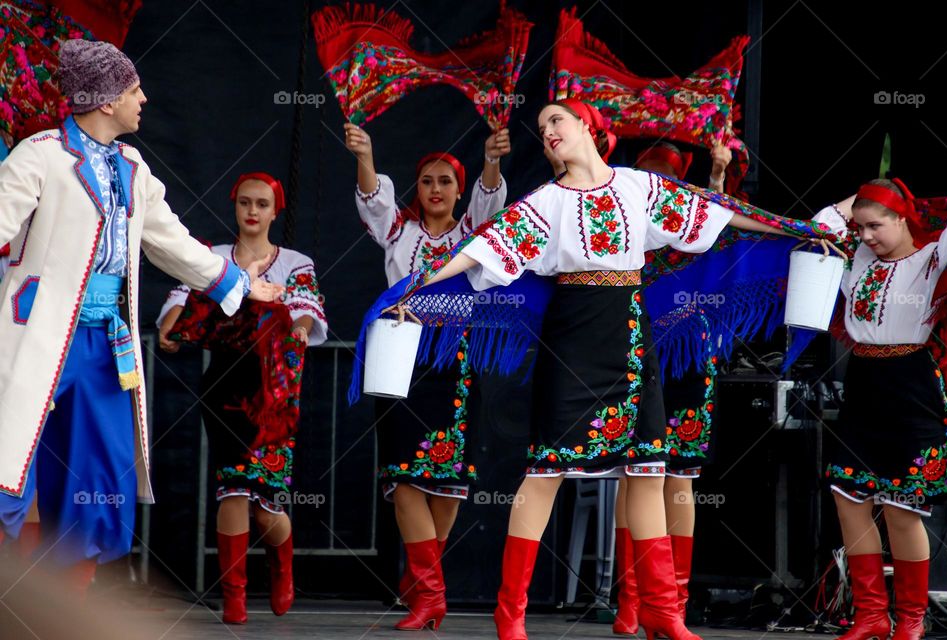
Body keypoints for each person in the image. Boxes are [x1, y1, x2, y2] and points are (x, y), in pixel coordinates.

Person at [387, 99, 831, 640]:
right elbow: (481, 250)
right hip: (572, 341)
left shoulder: (639, 188)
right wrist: (418, 286)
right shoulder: (545, 202)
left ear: (590, 129)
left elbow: (715, 211)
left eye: (558, 120)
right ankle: (511, 614)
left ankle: (663, 613)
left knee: (648, 470)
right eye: (543, 125)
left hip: (630, 335)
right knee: (546, 471)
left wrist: (794, 229)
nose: (547, 131)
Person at [0, 39, 282, 594]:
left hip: (106, 346)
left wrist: (240, 283)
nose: (143, 98)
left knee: (99, 481)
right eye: (133, 90)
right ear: (105, 101)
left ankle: (62, 619)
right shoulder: (40, 154)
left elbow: (169, 239)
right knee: (10, 464)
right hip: (36, 335)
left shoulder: (131, 166)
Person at [345, 121, 510, 630]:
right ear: (416, 189)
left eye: (445, 181)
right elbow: (373, 200)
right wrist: (366, 153)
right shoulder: (400, 232)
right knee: (404, 478)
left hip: (456, 362)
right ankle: (430, 593)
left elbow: (491, 209)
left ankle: (423, 588)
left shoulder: (471, 236)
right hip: (401, 358)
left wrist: (491, 160)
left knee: (446, 484)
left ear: (459, 191)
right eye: (427, 181)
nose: (435, 190)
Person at [157, 172, 327, 624]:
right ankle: (233, 596)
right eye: (245, 203)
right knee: (231, 489)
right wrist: (170, 325)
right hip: (226, 389)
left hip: (275, 392)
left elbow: (307, 308)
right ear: (235, 207)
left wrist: (298, 329)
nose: (253, 211)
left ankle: (281, 560)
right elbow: (180, 296)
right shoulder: (211, 257)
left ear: (276, 211)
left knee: (267, 507)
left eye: (262, 204)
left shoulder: (295, 262)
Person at [812, 180, 947, 640]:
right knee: (850, 497)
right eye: (860, 227)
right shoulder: (856, 259)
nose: (866, 236)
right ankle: (871, 615)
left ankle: (911, 619)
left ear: (903, 219)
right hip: (863, 382)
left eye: (876, 225)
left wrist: (900, 194)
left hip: (912, 383)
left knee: (901, 507)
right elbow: (819, 224)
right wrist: (859, 198)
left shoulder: (932, 258)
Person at [612, 140, 732, 634]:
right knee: (633, 474)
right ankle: (630, 601)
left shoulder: (695, 230)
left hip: (689, 365)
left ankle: (673, 601)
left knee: (678, 477)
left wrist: (719, 178)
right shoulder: (624, 226)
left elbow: (723, 232)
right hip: (637, 355)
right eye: (649, 177)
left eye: (669, 179)